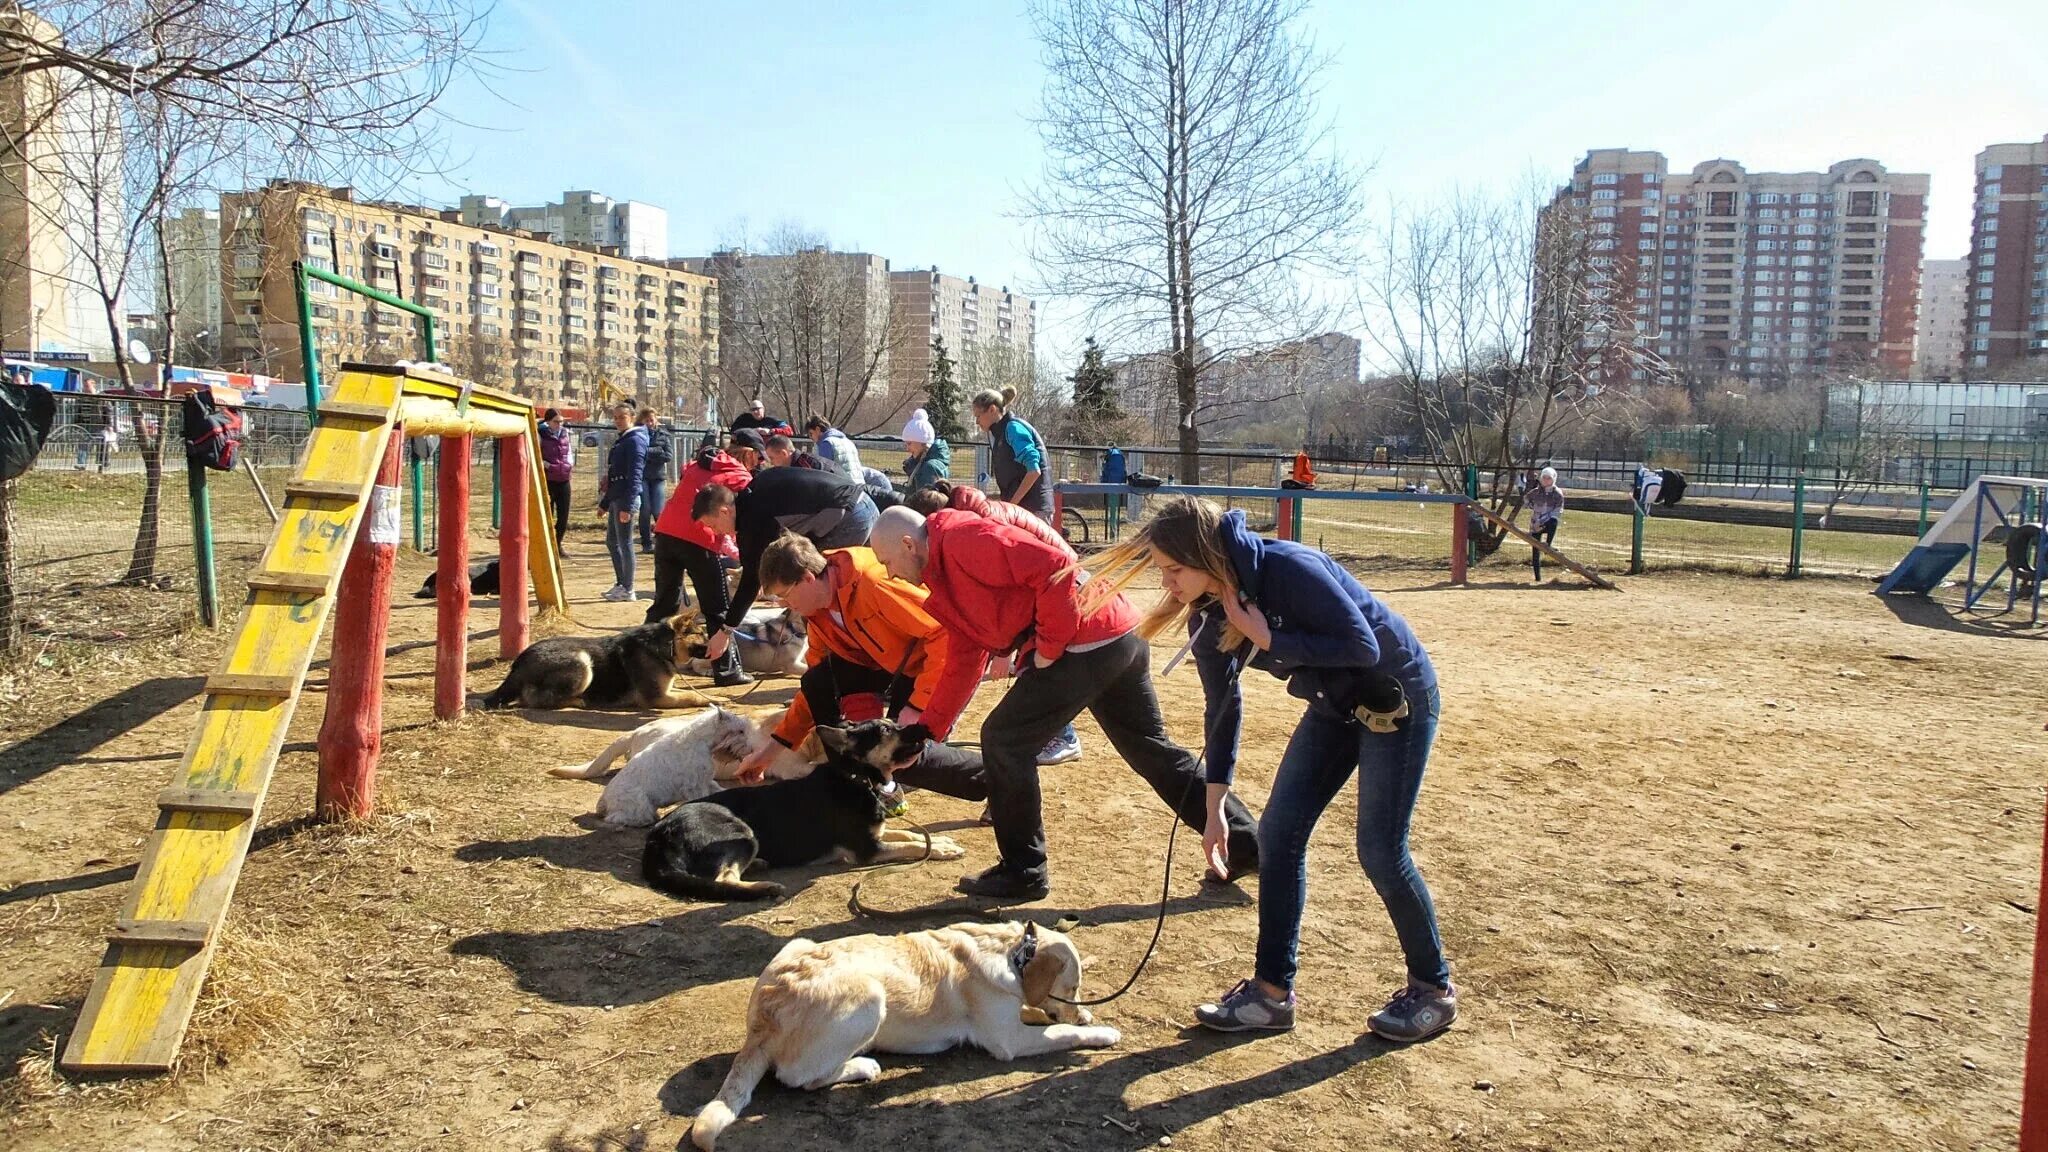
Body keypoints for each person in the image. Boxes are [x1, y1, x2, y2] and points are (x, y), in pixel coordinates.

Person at [1086, 495, 1453, 1041]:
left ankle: (1433, 990)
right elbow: (1222, 710)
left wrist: (1268, 637)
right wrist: (1214, 810)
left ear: (1204, 555)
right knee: (1277, 838)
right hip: (1333, 706)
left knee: (1380, 850)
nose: (1166, 583)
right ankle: (1271, 994)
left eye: (1174, 569)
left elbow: (1362, 645)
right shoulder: (1208, 615)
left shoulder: (1288, 568)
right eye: (1161, 571)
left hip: (1397, 699)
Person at [869, 504, 1260, 901]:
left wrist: (1050, 646)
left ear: (908, 544)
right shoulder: (944, 572)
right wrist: (926, 731)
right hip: (1116, 633)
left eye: (887, 562)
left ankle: (1024, 871)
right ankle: (1247, 846)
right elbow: (964, 659)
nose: (889, 573)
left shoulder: (961, 539)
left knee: (1004, 740)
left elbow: (1055, 564)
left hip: (1085, 639)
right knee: (1151, 750)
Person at [731, 534, 988, 805]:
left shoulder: (874, 583)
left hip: (933, 667)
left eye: (785, 595)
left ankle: (996, 778)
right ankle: (861, 780)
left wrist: (918, 706)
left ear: (807, 578)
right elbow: (814, 687)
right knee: (819, 681)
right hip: (890, 664)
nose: (784, 605)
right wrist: (771, 751)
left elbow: (945, 633)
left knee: (902, 753)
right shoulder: (817, 612)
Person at [904, 479, 1083, 766]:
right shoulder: (962, 529)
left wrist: (1014, 651)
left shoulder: (969, 532)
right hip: (1049, 600)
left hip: (1065, 597)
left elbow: (1015, 587)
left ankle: (1065, 736)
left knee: (1027, 695)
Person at [693, 463, 880, 665]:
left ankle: (839, 659)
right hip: (862, 503)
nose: (716, 532)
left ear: (724, 511)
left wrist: (725, 631)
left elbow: (751, 581)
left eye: (713, 525)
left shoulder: (754, 519)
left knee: (821, 590)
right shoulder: (754, 491)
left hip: (850, 517)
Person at [645, 439, 755, 686]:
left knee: (664, 604)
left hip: (666, 532)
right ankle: (727, 670)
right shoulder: (739, 475)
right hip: (700, 540)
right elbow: (740, 511)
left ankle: (643, 660)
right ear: (748, 456)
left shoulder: (695, 465)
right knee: (717, 608)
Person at [972, 386, 1052, 521]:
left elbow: (1034, 471)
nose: (976, 422)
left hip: (1034, 509)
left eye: (978, 416)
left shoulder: (1013, 428)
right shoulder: (997, 434)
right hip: (1022, 508)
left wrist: (1010, 506)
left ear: (992, 409)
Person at [598, 402, 647, 602]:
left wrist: (627, 505)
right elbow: (614, 475)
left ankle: (628, 588)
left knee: (625, 543)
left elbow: (635, 475)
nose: (618, 421)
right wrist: (605, 503)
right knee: (612, 541)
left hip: (626, 499)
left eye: (622, 417)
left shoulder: (635, 440)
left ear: (632, 417)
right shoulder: (623, 439)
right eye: (615, 417)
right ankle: (621, 583)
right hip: (616, 497)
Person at [537, 408, 574, 554]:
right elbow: (537, 454)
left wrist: (569, 465)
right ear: (548, 422)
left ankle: (557, 544)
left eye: (561, 421)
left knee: (563, 516)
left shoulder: (565, 434)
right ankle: (547, 547)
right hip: (548, 479)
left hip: (564, 479)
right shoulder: (541, 434)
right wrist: (547, 465)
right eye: (556, 422)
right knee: (548, 515)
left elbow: (569, 451)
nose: (559, 424)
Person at [637, 408, 673, 555]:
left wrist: (649, 452)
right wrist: (657, 451)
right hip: (643, 476)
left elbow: (668, 456)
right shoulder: (639, 435)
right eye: (646, 421)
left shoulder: (663, 435)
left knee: (658, 510)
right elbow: (638, 453)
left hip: (658, 477)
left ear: (656, 420)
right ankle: (646, 543)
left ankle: (662, 541)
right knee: (645, 509)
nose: (650, 423)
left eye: (651, 420)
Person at [900, 407, 952, 498]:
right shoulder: (921, 463)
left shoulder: (930, 467)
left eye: (909, 443)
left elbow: (927, 501)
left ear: (922, 442)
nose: (907, 449)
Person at [1525, 466, 1564, 582]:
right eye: (1544, 478)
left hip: (1547, 523)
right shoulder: (1536, 492)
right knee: (1535, 550)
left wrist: (1548, 518)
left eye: (1549, 478)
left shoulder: (1557, 493)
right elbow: (1526, 499)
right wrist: (1533, 506)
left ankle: (1548, 544)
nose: (1546, 480)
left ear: (1553, 479)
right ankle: (1537, 578)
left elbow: (1558, 510)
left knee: (1554, 522)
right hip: (1536, 523)